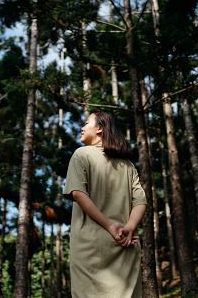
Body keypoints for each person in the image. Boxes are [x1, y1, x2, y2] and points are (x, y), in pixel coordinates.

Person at [64, 109, 147, 298]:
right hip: (125, 245)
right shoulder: (127, 165)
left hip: (90, 249)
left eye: (86, 123)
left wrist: (110, 226)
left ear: (100, 128)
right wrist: (129, 228)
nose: (82, 127)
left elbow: (78, 193)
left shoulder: (81, 155)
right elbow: (141, 202)